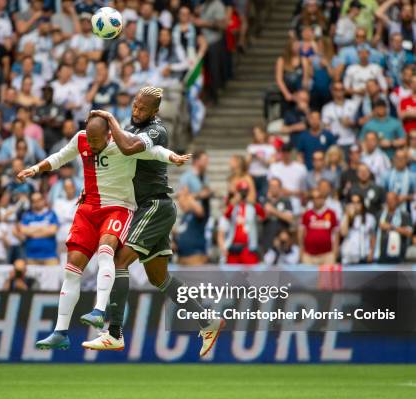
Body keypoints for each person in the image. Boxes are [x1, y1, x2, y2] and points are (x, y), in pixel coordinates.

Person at [16, 112, 188, 351]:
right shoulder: (81, 139)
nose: (93, 146)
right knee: (72, 270)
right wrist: (34, 169)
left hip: (117, 208)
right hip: (87, 211)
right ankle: (60, 332)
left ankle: (99, 310)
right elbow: (60, 157)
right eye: (91, 140)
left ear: (108, 134)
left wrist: (173, 157)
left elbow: (154, 152)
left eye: (97, 142)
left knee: (107, 253)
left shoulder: (124, 142)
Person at [83, 87, 222, 356]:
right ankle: (208, 321)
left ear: (155, 112)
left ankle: (114, 333)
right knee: (160, 278)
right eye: (135, 106)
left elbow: (128, 148)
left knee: (119, 260)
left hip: (154, 205)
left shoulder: (157, 131)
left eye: (142, 109)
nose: (136, 111)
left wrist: (110, 120)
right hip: (145, 208)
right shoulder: (129, 125)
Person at [218, 180, 266, 264]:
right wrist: (234, 202)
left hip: (248, 247)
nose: (243, 194)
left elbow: (263, 215)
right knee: (231, 276)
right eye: (241, 191)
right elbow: (226, 216)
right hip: (233, 247)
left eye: (245, 192)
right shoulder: (232, 206)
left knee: (251, 275)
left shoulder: (251, 207)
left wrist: (253, 202)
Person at [17, 192, 60, 265]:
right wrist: (44, 229)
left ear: (43, 200)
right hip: (31, 257)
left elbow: (53, 230)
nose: (36, 202)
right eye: (34, 201)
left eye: (39, 200)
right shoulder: (26, 215)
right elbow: (23, 231)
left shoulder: (51, 214)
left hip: (50, 257)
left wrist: (32, 232)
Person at [299, 188, 339, 264]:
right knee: (308, 276)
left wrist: (335, 252)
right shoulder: (307, 214)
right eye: (314, 198)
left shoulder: (331, 213)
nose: (316, 200)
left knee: (327, 276)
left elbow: (335, 233)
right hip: (309, 255)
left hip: (327, 255)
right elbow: (301, 234)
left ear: (324, 199)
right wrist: (301, 251)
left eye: (319, 197)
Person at [374, 191, 413, 263]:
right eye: (388, 200)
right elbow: (373, 235)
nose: (390, 202)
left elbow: (409, 232)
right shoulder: (379, 215)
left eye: (392, 199)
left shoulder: (404, 215)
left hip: (398, 257)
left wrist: (392, 227)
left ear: (397, 200)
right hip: (380, 257)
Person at [340, 193, 376, 264]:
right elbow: (343, 233)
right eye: (353, 203)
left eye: (358, 202)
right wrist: (348, 215)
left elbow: (373, 237)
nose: (355, 205)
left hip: (363, 255)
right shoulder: (344, 217)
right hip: (348, 257)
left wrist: (371, 253)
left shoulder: (370, 218)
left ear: (362, 204)